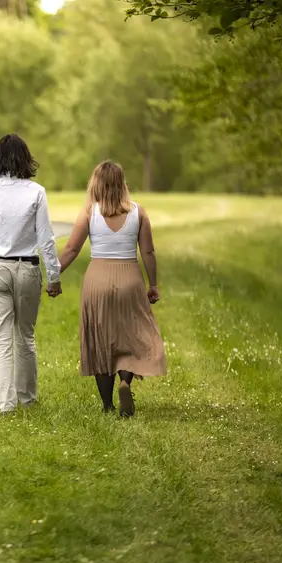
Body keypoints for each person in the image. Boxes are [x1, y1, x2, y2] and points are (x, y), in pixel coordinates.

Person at [57, 160, 166, 417]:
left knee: (100, 339)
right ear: (122, 184)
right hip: (129, 277)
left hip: (98, 279)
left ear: (96, 184)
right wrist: (153, 284)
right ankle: (125, 382)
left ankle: (107, 405)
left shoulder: (89, 213)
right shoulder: (139, 212)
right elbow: (148, 251)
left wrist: (52, 275)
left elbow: (71, 249)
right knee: (130, 335)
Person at [0, 133, 62, 415]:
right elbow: (46, 238)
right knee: (26, 336)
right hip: (27, 268)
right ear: (25, 159)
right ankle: (28, 400)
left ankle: (6, 405)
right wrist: (54, 275)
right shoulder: (36, 192)